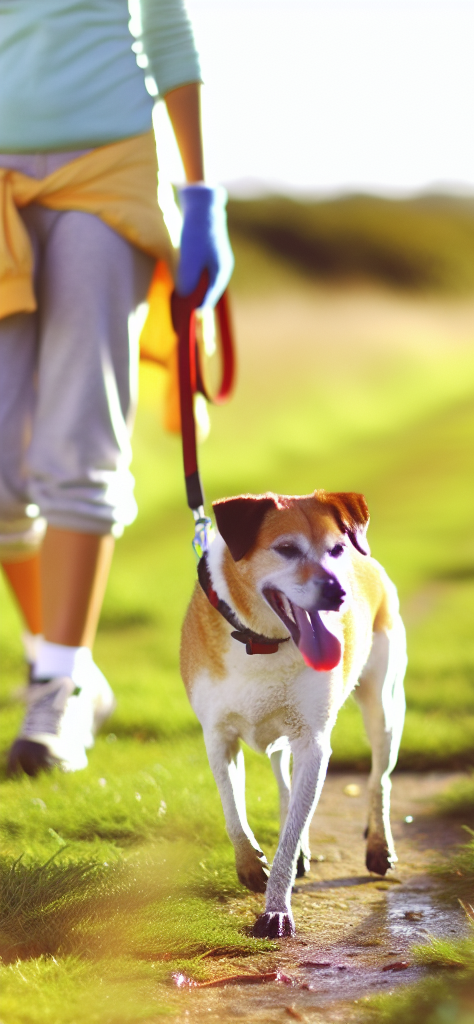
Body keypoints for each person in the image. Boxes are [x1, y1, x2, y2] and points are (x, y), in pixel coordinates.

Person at [0, 0, 232, 775]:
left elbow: (167, 29)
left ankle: (60, 681)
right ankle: (59, 663)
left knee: (78, 437)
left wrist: (201, 197)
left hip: (109, 167)